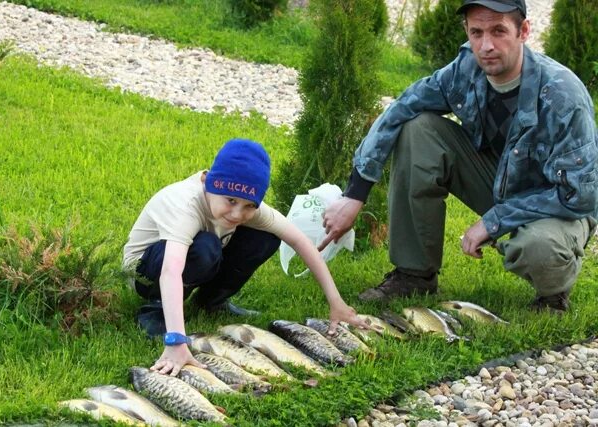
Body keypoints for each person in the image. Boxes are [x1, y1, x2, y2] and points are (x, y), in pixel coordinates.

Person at [319, 0, 598, 312]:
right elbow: (401, 108)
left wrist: (494, 221)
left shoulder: (562, 96)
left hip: (558, 203)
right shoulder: (465, 69)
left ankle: (552, 296)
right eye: (476, 32)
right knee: (418, 129)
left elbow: (580, 195)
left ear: (524, 31)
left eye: (498, 31)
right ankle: (414, 275)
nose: (486, 45)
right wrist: (355, 194)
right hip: (499, 180)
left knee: (540, 247)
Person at [123, 138, 368, 375]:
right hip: (147, 274)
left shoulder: (240, 206)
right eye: (231, 201)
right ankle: (156, 310)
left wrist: (336, 302)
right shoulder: (186, 205)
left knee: (265, 237)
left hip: (193, 258)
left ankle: (212, 301)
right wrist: (176, 340)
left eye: (250, 206)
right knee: (205, 247)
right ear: (209, 182)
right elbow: (171, 270)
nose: (238, 213)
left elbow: (299, 240)